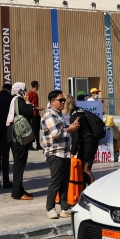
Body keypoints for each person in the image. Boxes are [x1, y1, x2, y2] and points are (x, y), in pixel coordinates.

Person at [42, 91, 79, 219]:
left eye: (63, 100)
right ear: (52, 102)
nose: (63, 102)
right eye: (60, 100)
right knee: (56, 181)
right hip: (55, 153)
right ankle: (50, 208)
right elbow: (56, 133)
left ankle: (65, 208)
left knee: (64, 182)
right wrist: (69, 129)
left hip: (64, 153)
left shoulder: (59, 114)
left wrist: (71, 126)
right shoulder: (49, 115)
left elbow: (62, 129)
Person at [6, 82, 35, 200]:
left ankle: (20, 189)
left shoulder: (14, 99)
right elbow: (28, 112)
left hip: (14, 135)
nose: (26, 92)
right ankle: (17, 192)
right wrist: (28, 102)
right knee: (19, 164)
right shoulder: (19, 99)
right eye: (25, 89)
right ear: (20, 91)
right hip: (18, 137)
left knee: (20, 163)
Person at [65, 95, 103, 184]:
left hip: (87, 143)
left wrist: (73, 152)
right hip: (91, 141)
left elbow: (76, 136)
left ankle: (93, 191)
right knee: (84, 168)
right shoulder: (80, 110)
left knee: (86, 169)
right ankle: (86, 189)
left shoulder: (75, 116)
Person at [27, 81, 42, 150]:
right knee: (33, 130)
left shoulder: (35, 94)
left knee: (37, 130)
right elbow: (28, 103)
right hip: (33, 114)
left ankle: (38, 144)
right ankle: (30, 145)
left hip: (36, 114)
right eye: (38, 85)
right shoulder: (30, 93)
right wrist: (35, 108)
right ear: (36, 86)